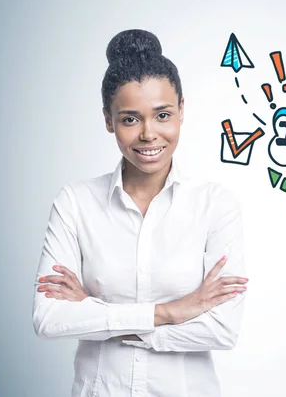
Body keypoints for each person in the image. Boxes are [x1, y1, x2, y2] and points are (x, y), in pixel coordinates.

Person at [32, 29, 248, 397]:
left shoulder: (215, 205)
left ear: (182, 110)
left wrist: (96, 313)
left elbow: (221, 329)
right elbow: (50, 320)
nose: (149, 134)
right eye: (130, 119)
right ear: (108, 120)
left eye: (162, 115)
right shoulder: (75, 203)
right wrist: (169, 312)